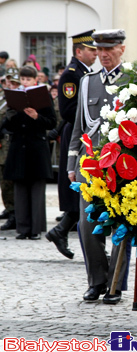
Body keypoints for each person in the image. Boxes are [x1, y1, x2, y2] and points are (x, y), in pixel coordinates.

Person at [67, 29, 130, 304]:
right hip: (89, 165)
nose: (103, 54)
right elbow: (79, 126)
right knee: (86, 223)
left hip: (122, 165)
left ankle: (115, 284)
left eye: (110, 49)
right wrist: (71, 162)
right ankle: (97, 281)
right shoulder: (86, 82)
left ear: (121, 49)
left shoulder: (134, 80)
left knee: (121, 225)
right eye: (100, 49)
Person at [46, 30, 97, 260]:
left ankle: (60, 231)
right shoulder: (71, 74)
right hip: (74, 132)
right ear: (79, 51)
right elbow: (67, 110)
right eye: (91, 49)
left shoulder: (86, 73)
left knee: (84, 190)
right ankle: (61, 232)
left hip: (86, 131)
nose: (96, 54)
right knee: (80, 186)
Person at [3, 66, 56, 240]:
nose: (25, 82)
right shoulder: (14, 96)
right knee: (20, 189)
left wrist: (36, 117)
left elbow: (51, 123)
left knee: (36, 190)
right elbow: (7, 125)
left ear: (35, 80)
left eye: (28, 79)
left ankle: (35, 229)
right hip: (19, 148)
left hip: (36, 149)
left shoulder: (43, 95)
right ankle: (23, 227)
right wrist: (17, 114)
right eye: (23, 79)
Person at [0, 68, 17, 231]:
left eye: (13, 82)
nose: (9, 85)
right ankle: (9, 208)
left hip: (10, 146)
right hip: (2, 147)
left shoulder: (15, 100)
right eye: (7, 82)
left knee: (9, 181)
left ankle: (14, 213)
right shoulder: (2, 99)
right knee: (3, 181)